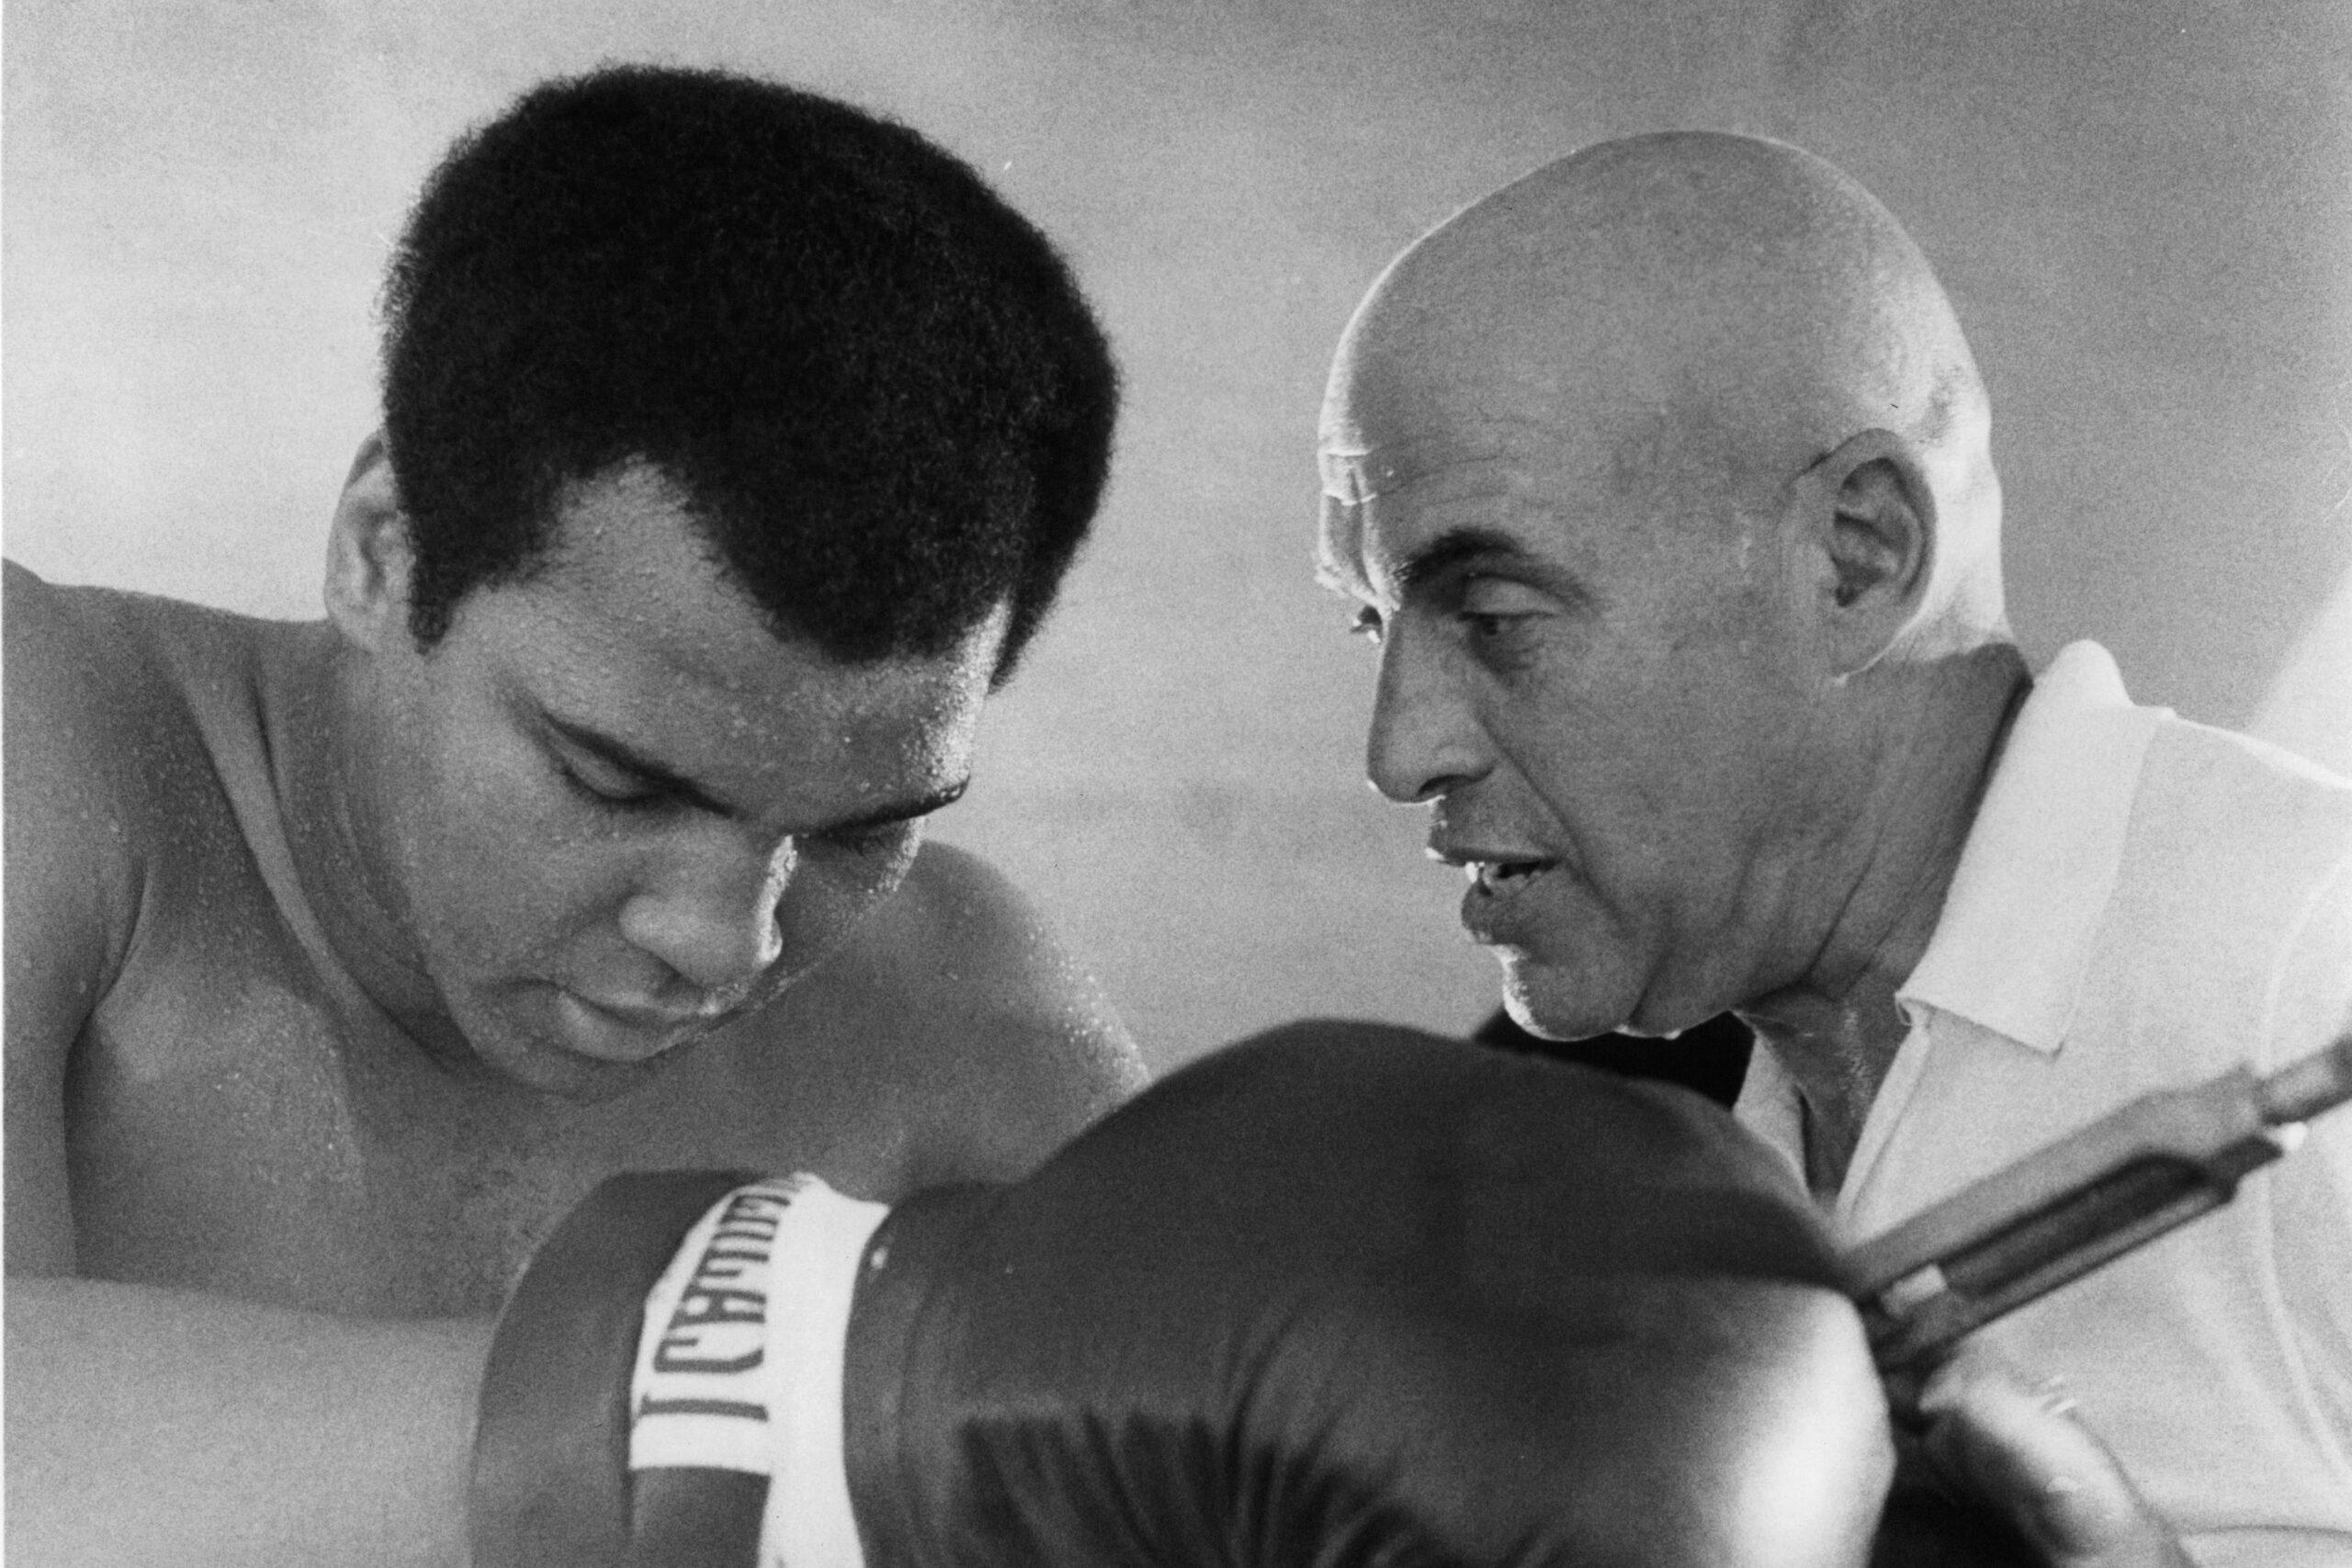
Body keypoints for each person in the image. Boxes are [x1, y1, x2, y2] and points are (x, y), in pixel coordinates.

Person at [4, 63, 1151, 1560]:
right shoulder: (46, 740)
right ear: (383, 552)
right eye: (618, 780)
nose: (725, 942)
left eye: (858, 829)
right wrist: (787, 1395)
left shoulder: (965, 1028)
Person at [1316, 130, 2352, 1567]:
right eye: (1374, 625)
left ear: (1857, 556)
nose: (1399, 750)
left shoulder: (2311, 968)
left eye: (1492, 615)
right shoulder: (1588, 1147)